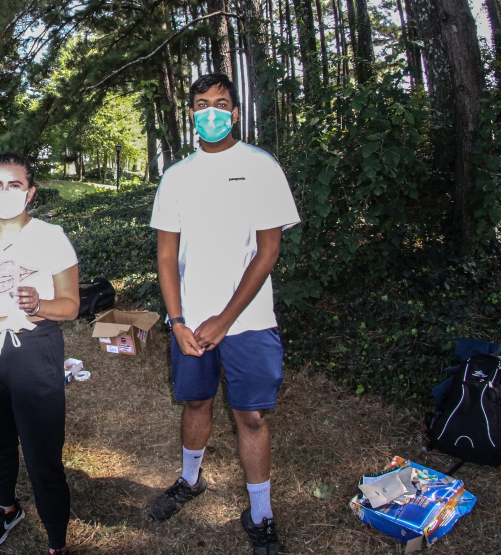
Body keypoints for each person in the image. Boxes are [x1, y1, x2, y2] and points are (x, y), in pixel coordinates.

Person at [145, 73, 300, 555]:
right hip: (189, 322)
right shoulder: (176, 176)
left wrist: (226, 319)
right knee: (195, 403)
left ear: (235, 111)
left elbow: (268, 251)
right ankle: (190, 481)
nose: (211, 111)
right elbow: (166, 257)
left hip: (248, 321)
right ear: (190, 113)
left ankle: (261, 514)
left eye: (221, 103)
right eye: (201, 104)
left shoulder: (260, 166)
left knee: (251, 416)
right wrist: (178, 320)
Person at [0, 153, 80, 555]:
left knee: (43, 455)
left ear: (30, 193)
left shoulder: (51, 237)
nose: (4, 192)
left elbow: (72, 305)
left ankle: (56, 542)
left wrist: (38, 304)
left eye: (14, 185)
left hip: (34, 348)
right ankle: (7, 509)